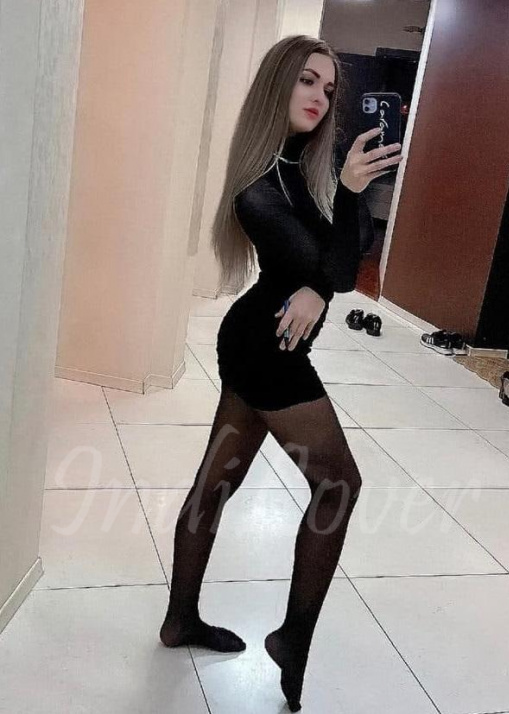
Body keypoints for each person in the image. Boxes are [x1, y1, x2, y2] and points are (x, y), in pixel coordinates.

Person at [160, 34, 403, 712]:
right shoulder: (257, 187)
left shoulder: (304, 171)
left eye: (329, 87)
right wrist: (324, 267)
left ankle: (180, 620)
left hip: (264, 345)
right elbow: (324, 269)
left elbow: (344, 262)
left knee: (214, 486)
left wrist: (350, 197)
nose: (320, 96)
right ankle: (293, 638)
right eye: (306, 80)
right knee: (340, 485)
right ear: (277, 84)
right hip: (266, 350)